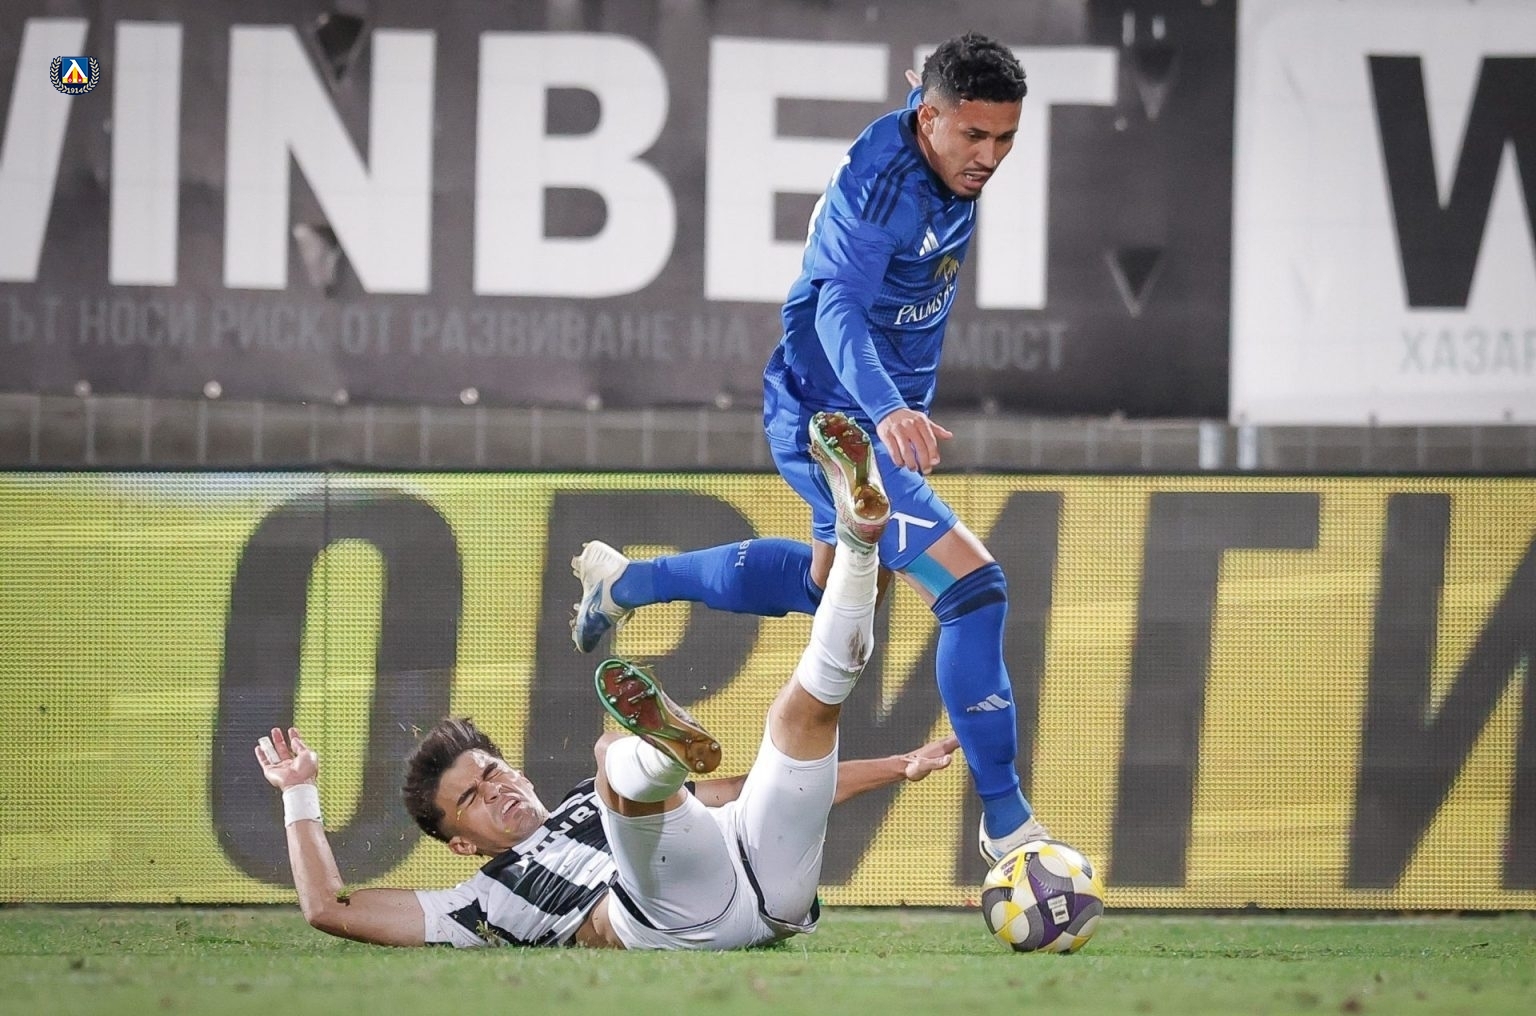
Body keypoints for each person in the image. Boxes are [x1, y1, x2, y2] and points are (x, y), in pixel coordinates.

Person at [569, 32, 1046, 863]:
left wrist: (931, 87)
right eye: (975, 136)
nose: (990, 157)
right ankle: (1008, 825)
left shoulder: (932, 129)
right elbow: (838, 310)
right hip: (837, 423)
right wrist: (888, 410)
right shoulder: (884, 195)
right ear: (930, 120)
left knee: (829, 587)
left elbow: (932, 96)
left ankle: (628, 582)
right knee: (975, 592)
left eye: (1005, 138)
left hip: (860, 407)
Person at [257, 413, 957, 949]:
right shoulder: (476, 904)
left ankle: (858, 539)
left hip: (770, 880)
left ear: (516, 772)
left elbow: (745, 790)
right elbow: (328, 908)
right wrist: (299, 793)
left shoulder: (576, 805)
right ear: (461, 842)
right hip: (680, 918)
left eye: (492, 772)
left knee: (802, 716)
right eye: (470, 798)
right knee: (608, 757)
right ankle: (657, 753)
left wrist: (900, 764)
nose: (495, 790)